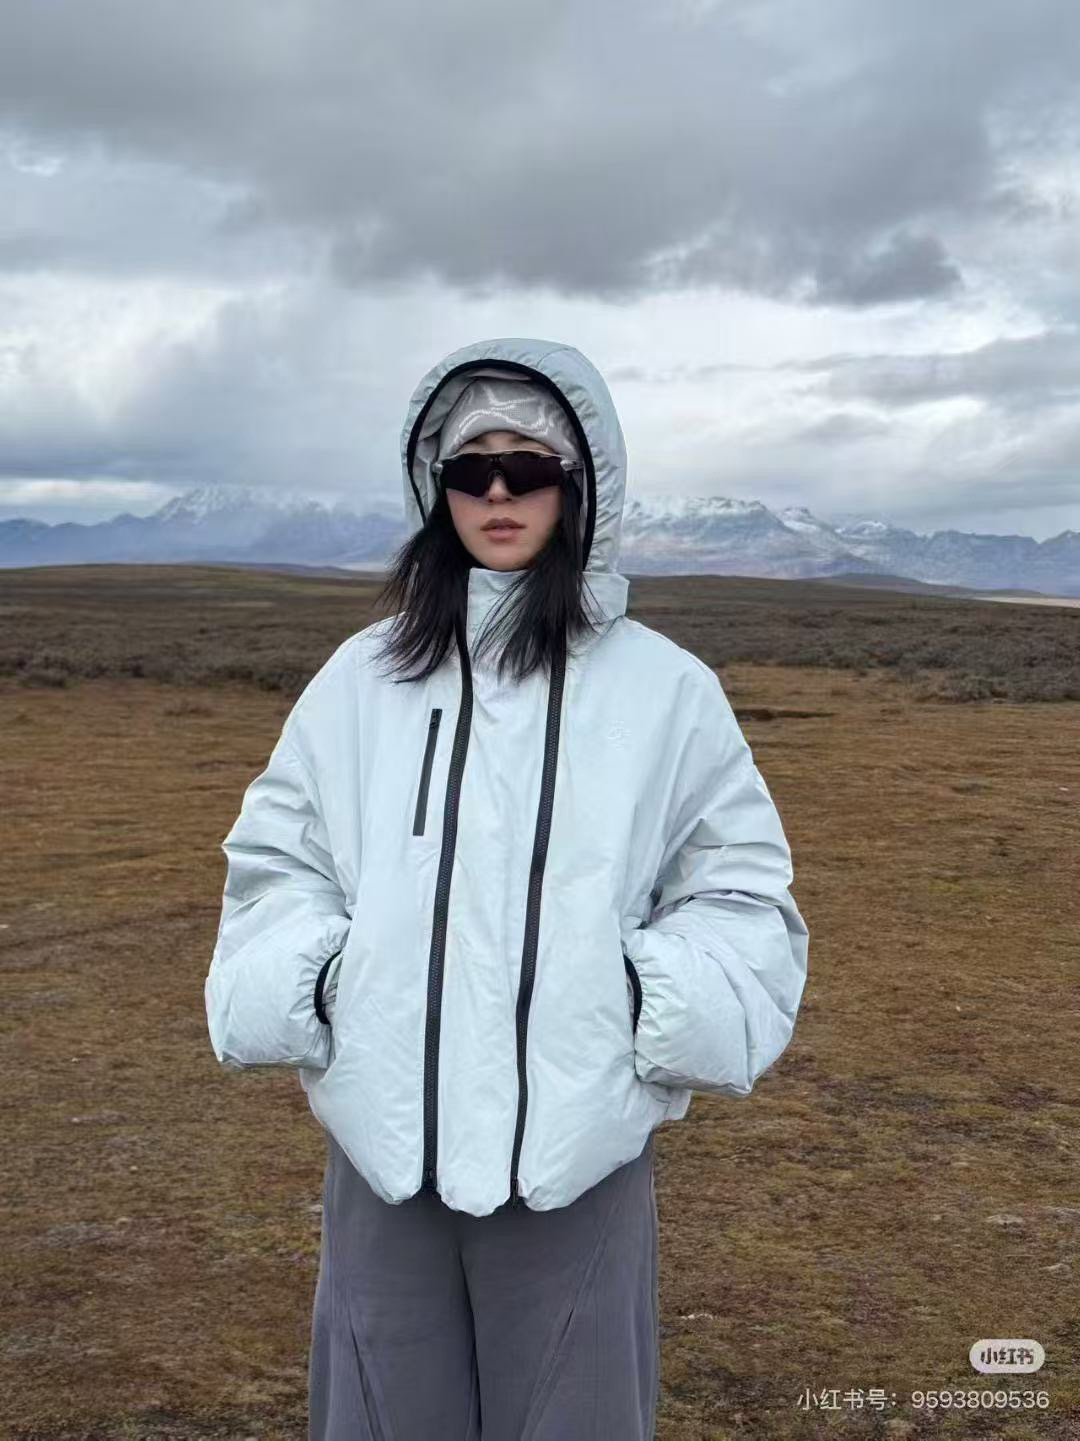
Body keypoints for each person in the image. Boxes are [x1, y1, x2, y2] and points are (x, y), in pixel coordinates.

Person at [204, 336, 810, 1440]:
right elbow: (278, 863)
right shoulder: (360, 680)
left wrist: (635, 997)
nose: (496, 493)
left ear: (579, 487)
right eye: (469, 468)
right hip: (385, 1158)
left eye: (526, 467)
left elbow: (740, 891)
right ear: (433, 487)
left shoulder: (666, 691)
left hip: (576, 1162)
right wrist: (333, 980)